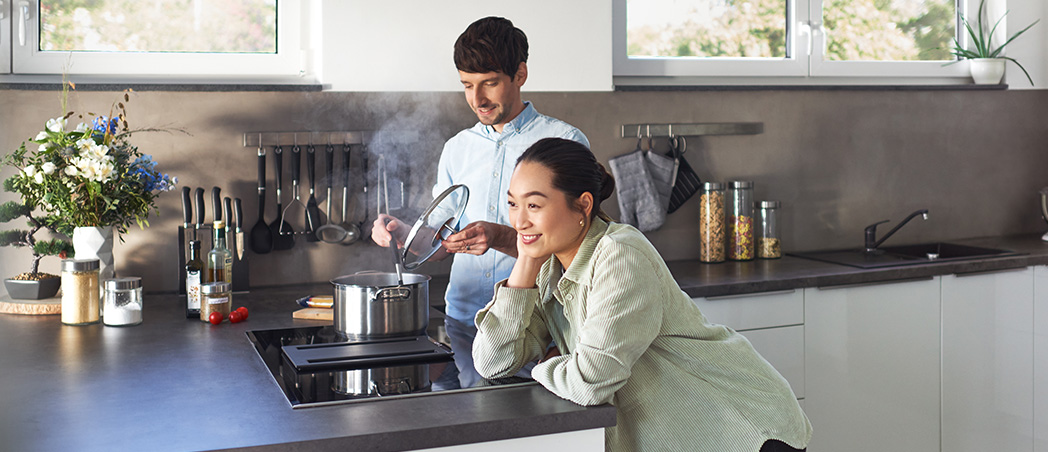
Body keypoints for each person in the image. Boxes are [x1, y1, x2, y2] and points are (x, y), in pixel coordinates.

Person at [472, 137, 813, 452]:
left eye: (534, 205)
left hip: (741, 431)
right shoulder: (550, 268)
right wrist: (526, 264)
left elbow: (590, 382)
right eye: (513, 204)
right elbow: (494, 361)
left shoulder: (619, 255)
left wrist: (541, 366)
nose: (518, 221)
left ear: (582, 205)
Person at [371, 17, 589, 389]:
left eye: (489, 83)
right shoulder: (458, 148)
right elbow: (439, 240)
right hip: (464, 321)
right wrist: (405, 234)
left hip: (538, 325)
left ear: (519, 74)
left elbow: (582, 246)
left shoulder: (563, 141)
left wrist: (502, 236)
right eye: (467, 86)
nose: (478, 100)